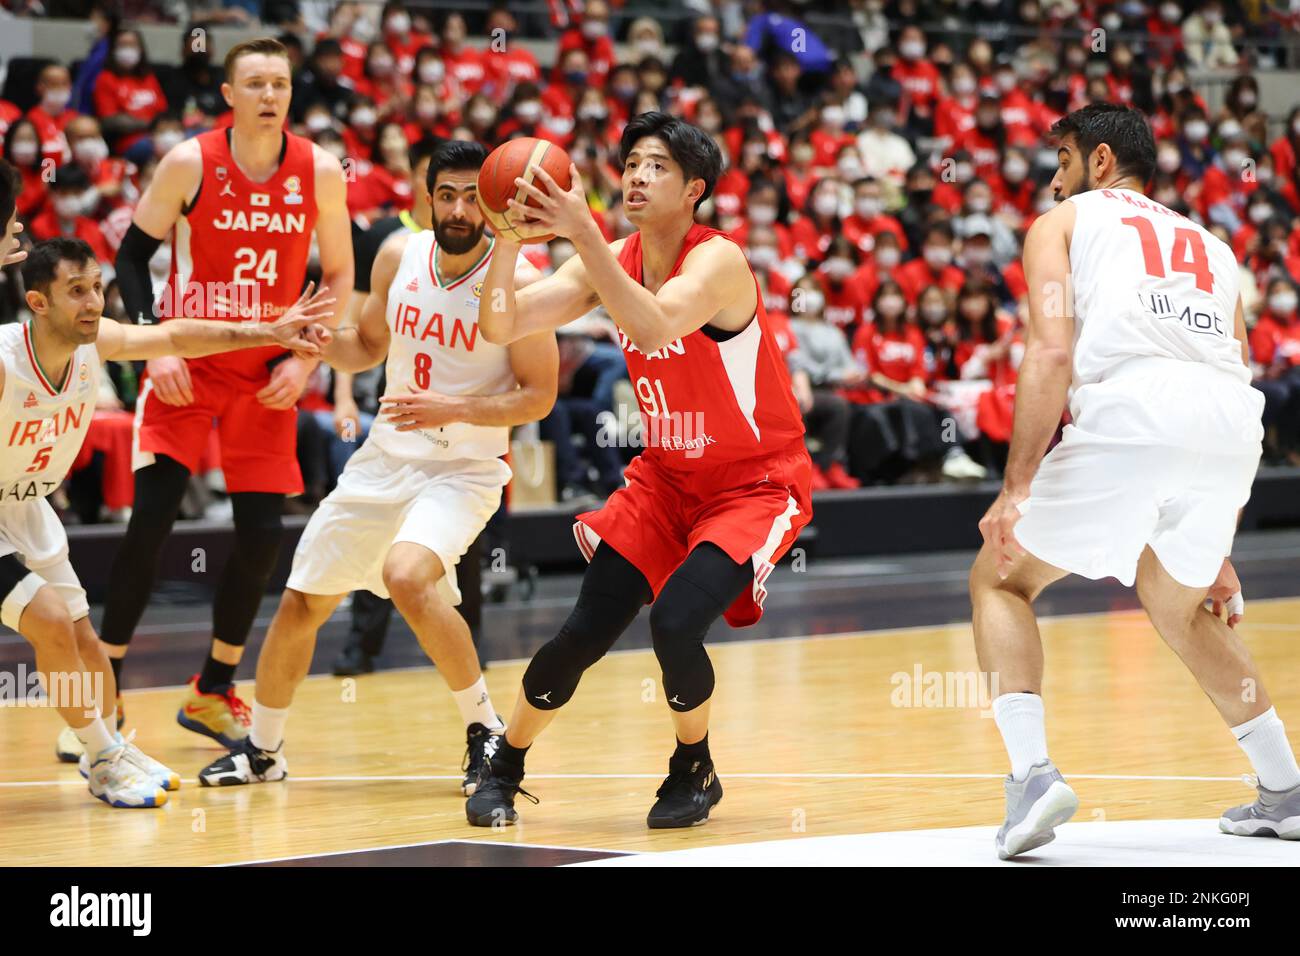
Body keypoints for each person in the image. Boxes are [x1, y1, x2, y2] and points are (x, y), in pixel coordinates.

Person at [970, 103, 1300, 860]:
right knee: (1179, 603)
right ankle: (1285, 788)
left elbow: (1050, 352)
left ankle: (1031, 777)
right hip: (1230, 431)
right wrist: (1217, 545)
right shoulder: (1215, 246)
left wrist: (1016, 488)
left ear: (1101, 161)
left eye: (1063, 161)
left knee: (1000, 578)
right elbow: (1234, 375)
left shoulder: (1064, 223)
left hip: (1134, 411)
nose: (1054, 181)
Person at [468, 112, 813, 829]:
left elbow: (654, 325)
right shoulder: (610, 258)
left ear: (694, 190)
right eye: (630, 163)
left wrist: (580, 231)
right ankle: (505, 764)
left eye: (657, 166)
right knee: (584, 630)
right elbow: (499, 323)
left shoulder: (718, 260)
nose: (636, 176)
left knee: (677, 622)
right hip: (665, 479)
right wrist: (505, 238)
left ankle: (694, 766)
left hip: (752, 483)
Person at [195, 141, 558, 795]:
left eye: (471, 196)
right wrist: (313, 341)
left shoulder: (522, 284)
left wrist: (453, 407)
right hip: (383, 458)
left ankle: (486, 730)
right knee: (301, 601)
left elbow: (539, 396)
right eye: (445, 195)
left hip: (462, 469)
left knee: (407, 575)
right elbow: (364, 345)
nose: (458, 209)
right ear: (427, 199)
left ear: (490, 203)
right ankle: (264, 750)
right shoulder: (398, 254)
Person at [55, 38, 355, 764]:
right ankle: (103, 692)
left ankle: (213, 687)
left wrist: (305, 359)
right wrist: (155, 346)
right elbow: (130, 255)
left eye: (279, 83)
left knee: (261, 536)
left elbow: (340, 275)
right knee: (152, 522)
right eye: (254, 83)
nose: (269, 95)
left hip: (268, 370)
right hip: (187, 359)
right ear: (228, 94)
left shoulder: (319, 169)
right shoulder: (190, 161)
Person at [2, 215, 332, 808]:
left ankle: (107, 748)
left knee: (85, 641)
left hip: (27, 509)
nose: (94, 301)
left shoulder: (96, 343)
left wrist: (268, 331)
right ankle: (103, 760)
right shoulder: (6, 361)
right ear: (38, 302)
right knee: (49, 620)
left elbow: (178, 338)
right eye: (76, 290)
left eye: (97, 286)